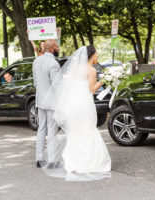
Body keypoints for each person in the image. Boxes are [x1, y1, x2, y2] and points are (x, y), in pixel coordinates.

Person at [40, 46, 111, 181]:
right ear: (91, 56)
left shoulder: (75, 69)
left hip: (73, 105)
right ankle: (89, 163)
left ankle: (73, 162)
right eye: (96, 55)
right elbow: (91, 89)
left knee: (76, 131)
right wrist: (104, 79)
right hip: (84, 104)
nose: (97, 57)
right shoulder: (91, 70)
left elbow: (68, 86)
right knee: (88, 129)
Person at [33, 39, 61, 168]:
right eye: (56, 46)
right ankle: (52, 160)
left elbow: (35, 82)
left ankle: (39, 159)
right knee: (52, 130)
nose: (58, 48)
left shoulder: (36, 61)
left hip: (40, 100)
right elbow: (57, 85)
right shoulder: (53, 63)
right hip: (51, 102)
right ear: (50, 49)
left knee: (41, 129)